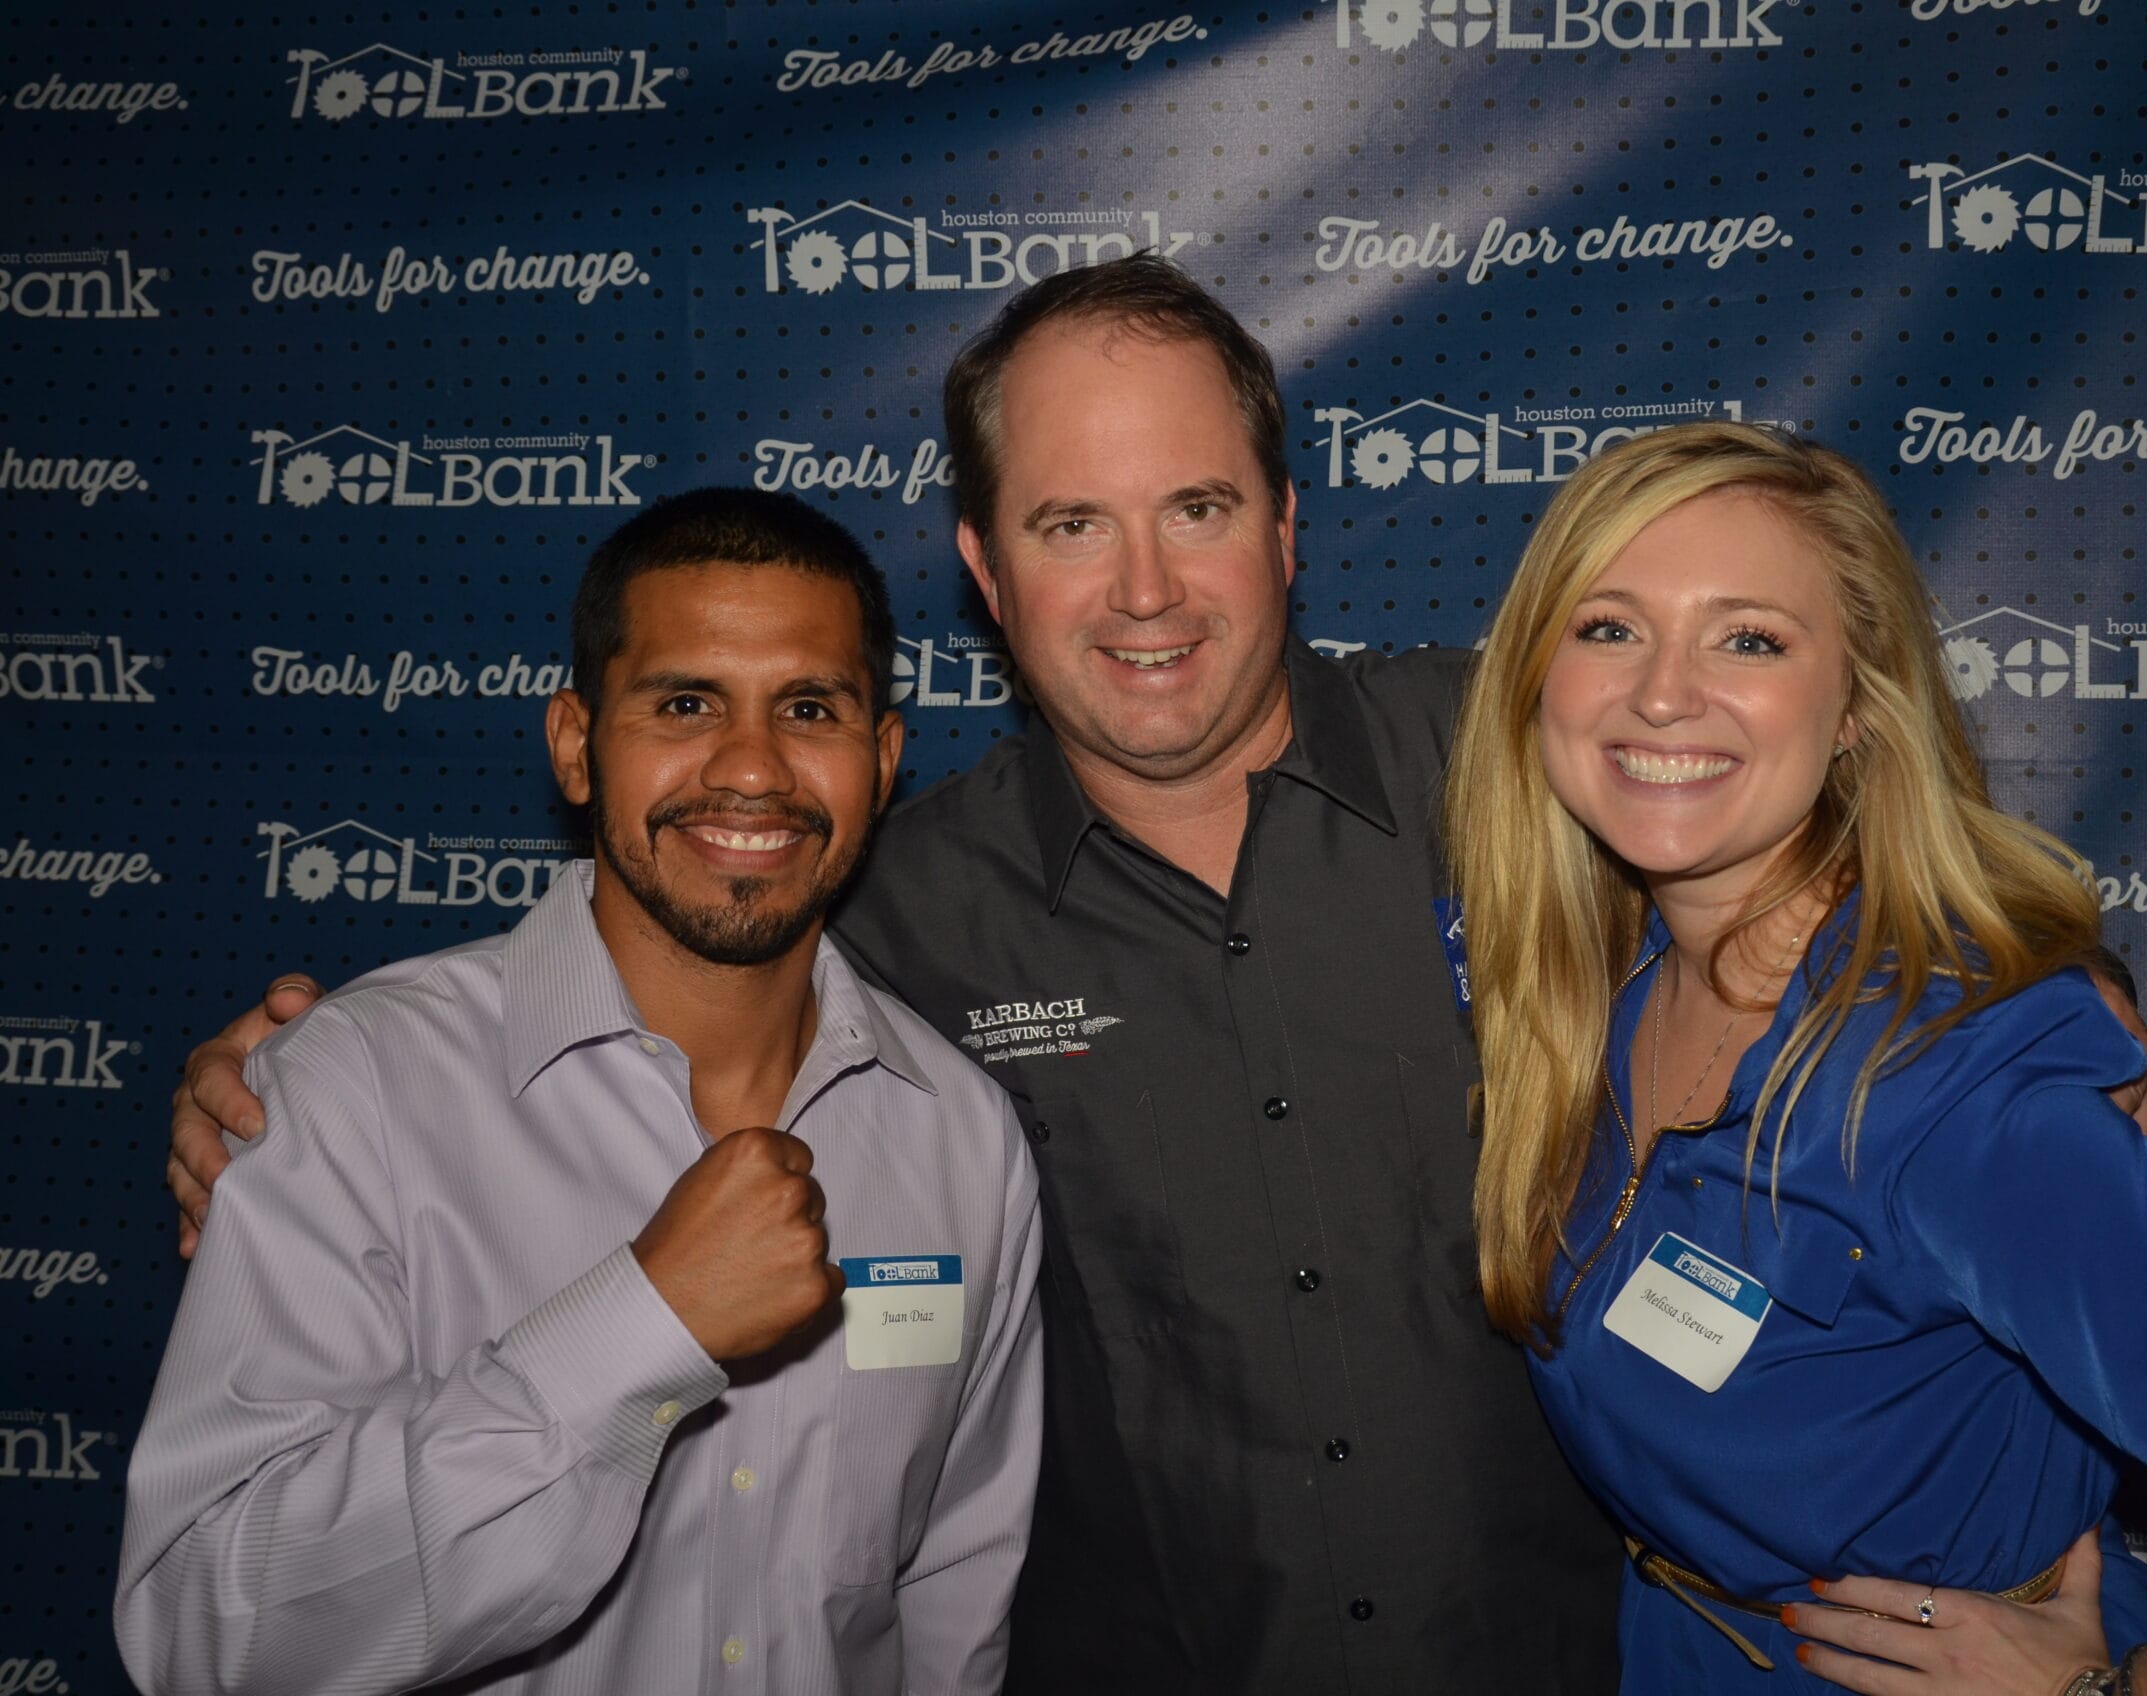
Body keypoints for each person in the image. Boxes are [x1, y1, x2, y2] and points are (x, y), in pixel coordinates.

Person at [162, 257, 1626, 1694]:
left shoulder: (1532, 774)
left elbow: (1810, 943)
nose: (1146, 589)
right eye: (1070, 524)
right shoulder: (882, 909)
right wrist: (293, 1089)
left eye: (1198, 508)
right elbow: (659, 940)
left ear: (1287, 526)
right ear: (986, 570)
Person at [1443, 421, 2147, 1696]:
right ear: (1534, 671)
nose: (1660, 692)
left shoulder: (1944, 1092)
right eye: (1606, 626)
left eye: (1748, 637)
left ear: (1859, 705)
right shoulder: (1589, 982)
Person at [119, 491, 1043, 1696]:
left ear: (881, 755)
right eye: (684, 703)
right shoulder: (360, 1091)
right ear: (573, 741)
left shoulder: (959, 1136)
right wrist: (641, 1330)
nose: (752, 767)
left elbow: (950, 1606)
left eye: (808, 707)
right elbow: (206, 1630)